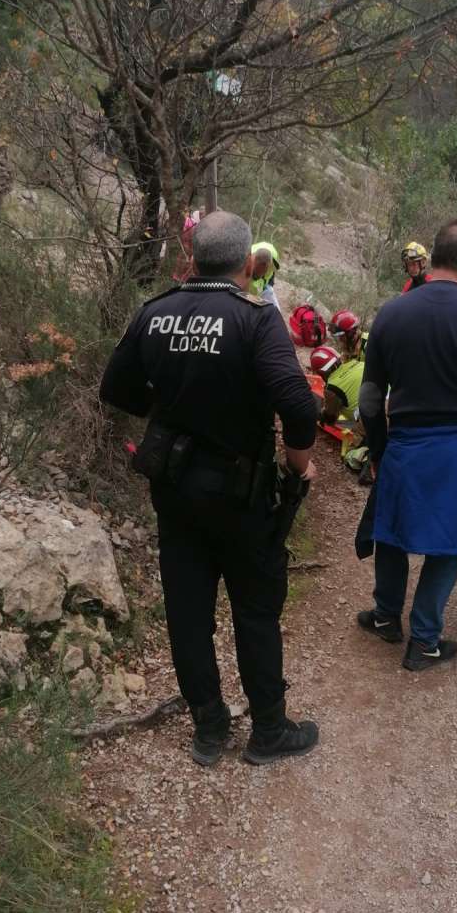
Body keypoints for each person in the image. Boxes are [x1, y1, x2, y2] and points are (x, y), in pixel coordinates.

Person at [99, 211, 319, 766]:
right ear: (248, 263)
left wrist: (169, 413)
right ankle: (268, 729)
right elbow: (296, 403)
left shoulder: (155, 312)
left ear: (193, 258)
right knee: (254, 609)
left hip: (174, 490)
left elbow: (115, 386)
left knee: (189, 612)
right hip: (241, 497)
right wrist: (298, 465)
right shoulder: (254, 317)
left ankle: (209, 729)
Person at [357, 219, 457, 671]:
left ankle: (387, 616)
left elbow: (370, 400)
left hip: (405, 445)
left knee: (390, 530)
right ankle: (424, 640)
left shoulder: (393, 312)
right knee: (447, 543)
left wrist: (379, 449)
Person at [310, 345, 364, 426]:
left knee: (356, 434)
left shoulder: (333, 389)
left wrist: (321, 416)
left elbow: (330, 418)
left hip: (373, 419)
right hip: (387, 401)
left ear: (321, 372)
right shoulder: (356, 362)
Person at [249, 241, 281, 308]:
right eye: (257, 272)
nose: (260, 276)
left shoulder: (273, 264)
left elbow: (271, 274)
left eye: (262, 272)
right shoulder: (245, 258)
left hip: (265, 283)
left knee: (275, 308)